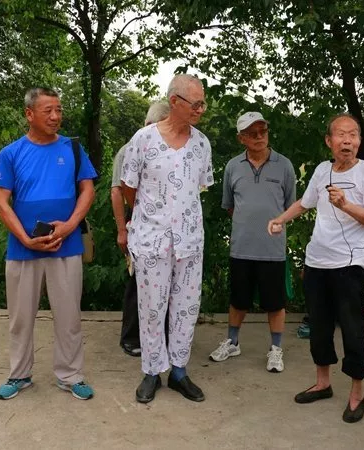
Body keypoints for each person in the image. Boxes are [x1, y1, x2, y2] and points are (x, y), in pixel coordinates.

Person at [268, 113, 364, 423]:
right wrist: (280, 219)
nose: (347, 141)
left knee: (353, 330)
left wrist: (345, 204)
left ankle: (357, 394)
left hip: (351, 264)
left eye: (353, 135)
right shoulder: (322, 171)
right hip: (317, 262)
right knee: (319, 327)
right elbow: (304, 203)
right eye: (341, 135)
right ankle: (323, 383)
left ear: (359, 140)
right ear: (329, 141)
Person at [0, 87, 97, 401]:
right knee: (20, 317)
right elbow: (0, 202)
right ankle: (20, 374)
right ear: (29, 114)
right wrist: (25, 238)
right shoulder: (11, 153)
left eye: (59, 110)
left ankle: (71, 375)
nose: (55, 116)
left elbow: (87, 190)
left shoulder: (72, 148)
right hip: (23, 248)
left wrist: (70, 225)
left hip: (67, 245)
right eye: (48, 110)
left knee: (69, 315)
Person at [121, 74, 214, 404]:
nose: (201, 110)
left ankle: (178, 372)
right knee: (151, 309)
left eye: (203, 103)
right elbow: (129, 187)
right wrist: (149, 218)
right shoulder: (143, 139)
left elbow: (197, 188)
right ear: (174, 102)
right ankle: (152, 371)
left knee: (186, 308)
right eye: (196, 103)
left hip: (189, 241)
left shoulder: (201, 144)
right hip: (151, 241)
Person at [209, 112, 296, 372]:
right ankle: (232, 342)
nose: (259, 137)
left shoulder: (284, 165)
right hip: (241, 248)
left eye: (263, 131)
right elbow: (230, 206)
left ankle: (276, 349)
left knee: (275, 303)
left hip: (273, 249)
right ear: (241, 138)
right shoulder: (232, 167)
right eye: (252, 133)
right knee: (238, 300)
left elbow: (290, 207)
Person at [111, 102, 170, 357]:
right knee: (139, 282)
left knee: (166, 283)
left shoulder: (170, 149)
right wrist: (122, 230)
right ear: (149, 124)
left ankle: (162, 336)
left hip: (166, 226)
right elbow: (117, 191)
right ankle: (132, 337)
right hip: (138, 223)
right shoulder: (129, 149)